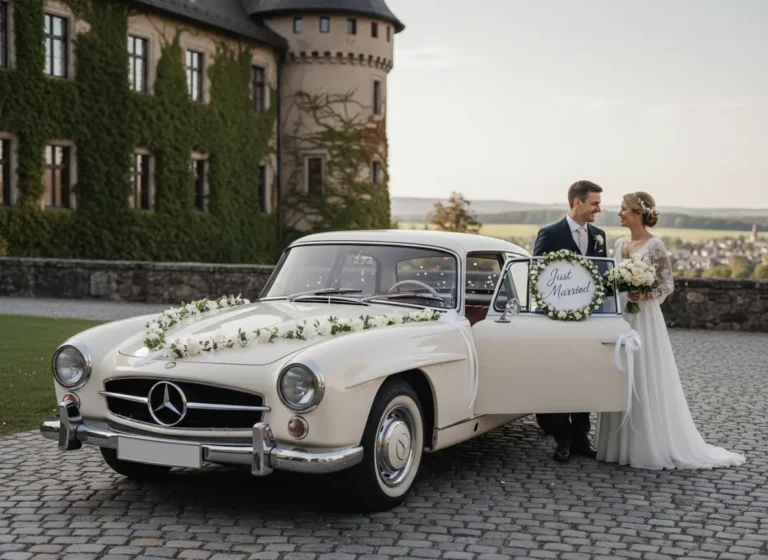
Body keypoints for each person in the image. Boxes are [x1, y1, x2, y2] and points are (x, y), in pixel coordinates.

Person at [595, 192, 746, 470]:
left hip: (645, 318)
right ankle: (616, 446)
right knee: (621, 373)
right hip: (622, 318)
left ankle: (648, 444)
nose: (619, 213)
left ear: (637, 214)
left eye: (624, 209)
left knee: (644, 372)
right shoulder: (618, 244)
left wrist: (646, 293)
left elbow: (667, 285)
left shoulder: (655, 246)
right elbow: (612, 280)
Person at [533, 180, 608, 462]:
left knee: (585, 377)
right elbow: (536, 276)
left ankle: (580, 438)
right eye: (594, 203)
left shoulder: (599, 235)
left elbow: (601, 276)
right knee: (558, 377)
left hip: (589, 321)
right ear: (577, 203)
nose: (599, 209)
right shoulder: (550, 234)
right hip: (558, 322)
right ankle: (561, 439)